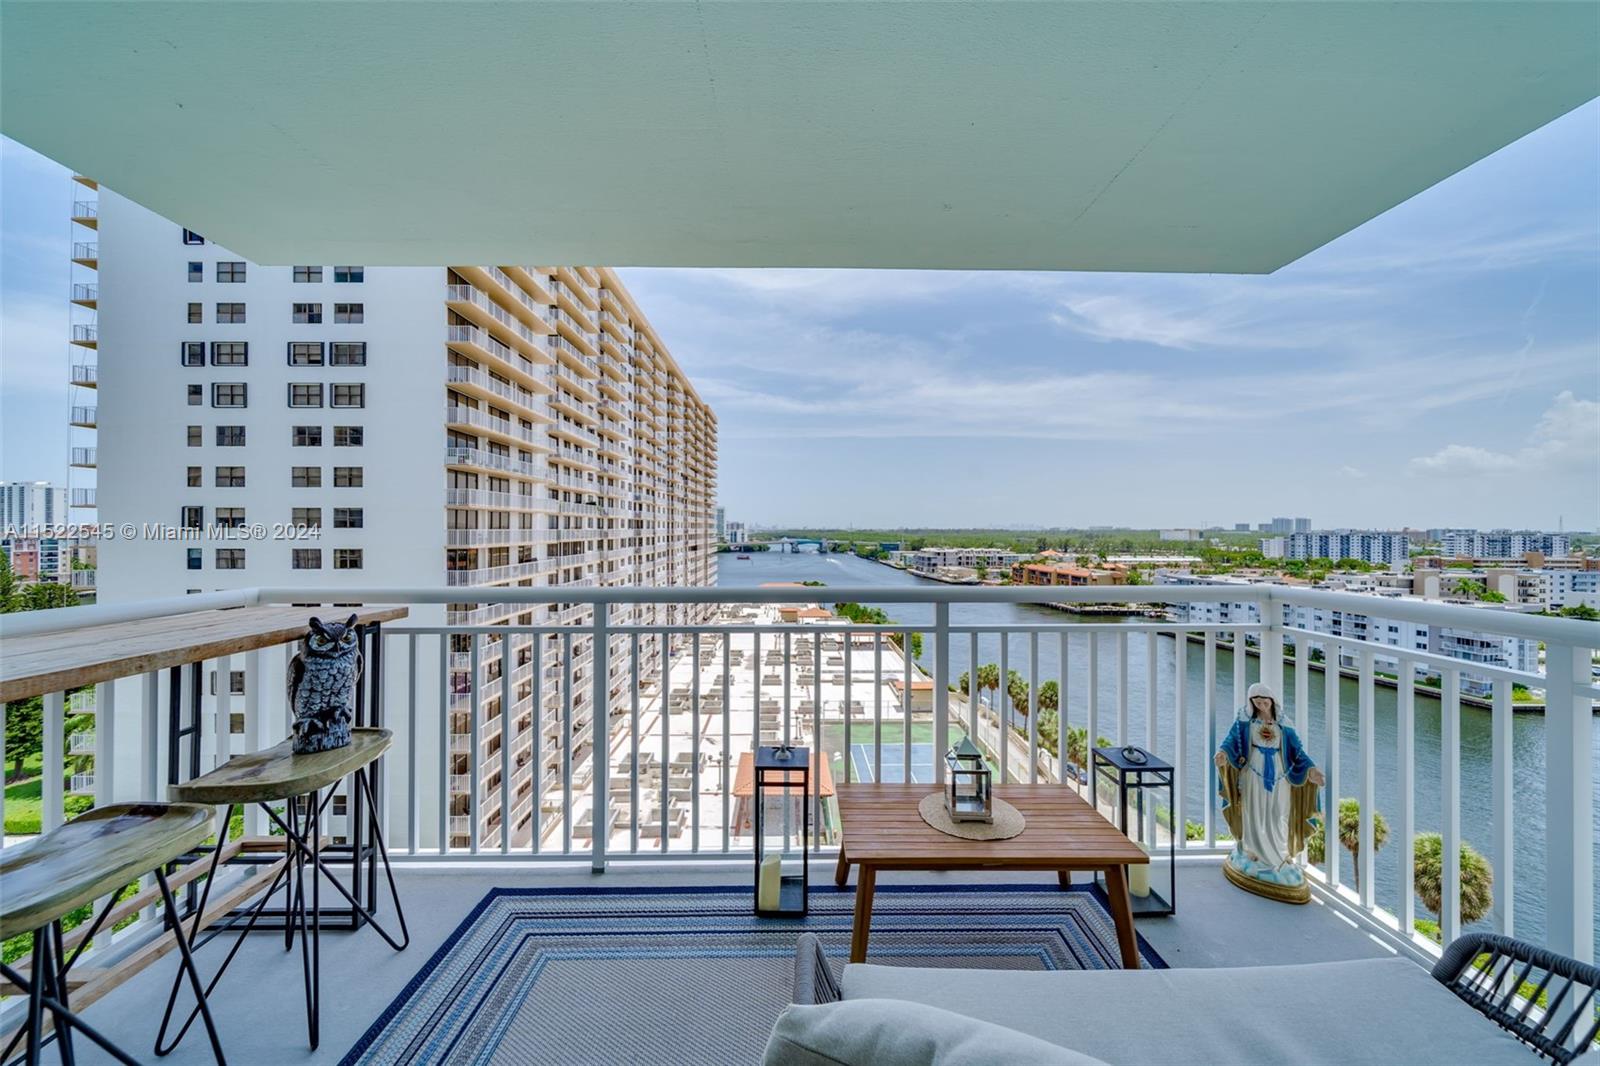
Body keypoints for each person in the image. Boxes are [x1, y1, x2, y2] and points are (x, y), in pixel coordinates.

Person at [1213, 682, 1323, 903]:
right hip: (1253, 772)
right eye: (1257, 702)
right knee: (1253, 811)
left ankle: (1279, 854)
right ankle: (1253, 850)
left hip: (1280, 774)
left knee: (1278, 813)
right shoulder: (1245, 720)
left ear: (1272, 701)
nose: (1261, 705)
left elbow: (1297, 751)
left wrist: (1312, 770)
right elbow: (1231, 741)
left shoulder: (1284, 724)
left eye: (1264, 701)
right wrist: (1223, 753)